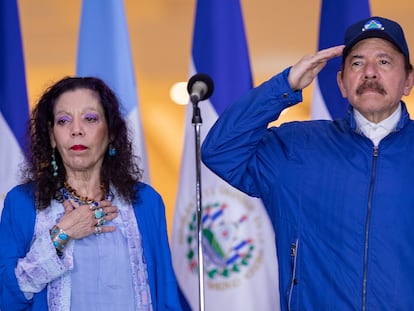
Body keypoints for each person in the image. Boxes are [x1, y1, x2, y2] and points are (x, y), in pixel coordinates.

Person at [201, 16, 414, 310]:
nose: (369, 73)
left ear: (408, 80)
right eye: (356, 63)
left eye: (384, 62)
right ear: (341, 83)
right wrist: (284, 86)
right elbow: (220, 150)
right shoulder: (296, 146)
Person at [0, 76, 183, 310]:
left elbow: (166, 295)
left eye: (90, 119)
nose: (76, 130)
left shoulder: (145, 202)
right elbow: (6, 297)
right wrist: (61, 235)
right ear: (52, 136)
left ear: (111, 132)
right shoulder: (22, 203)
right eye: (64, 121)